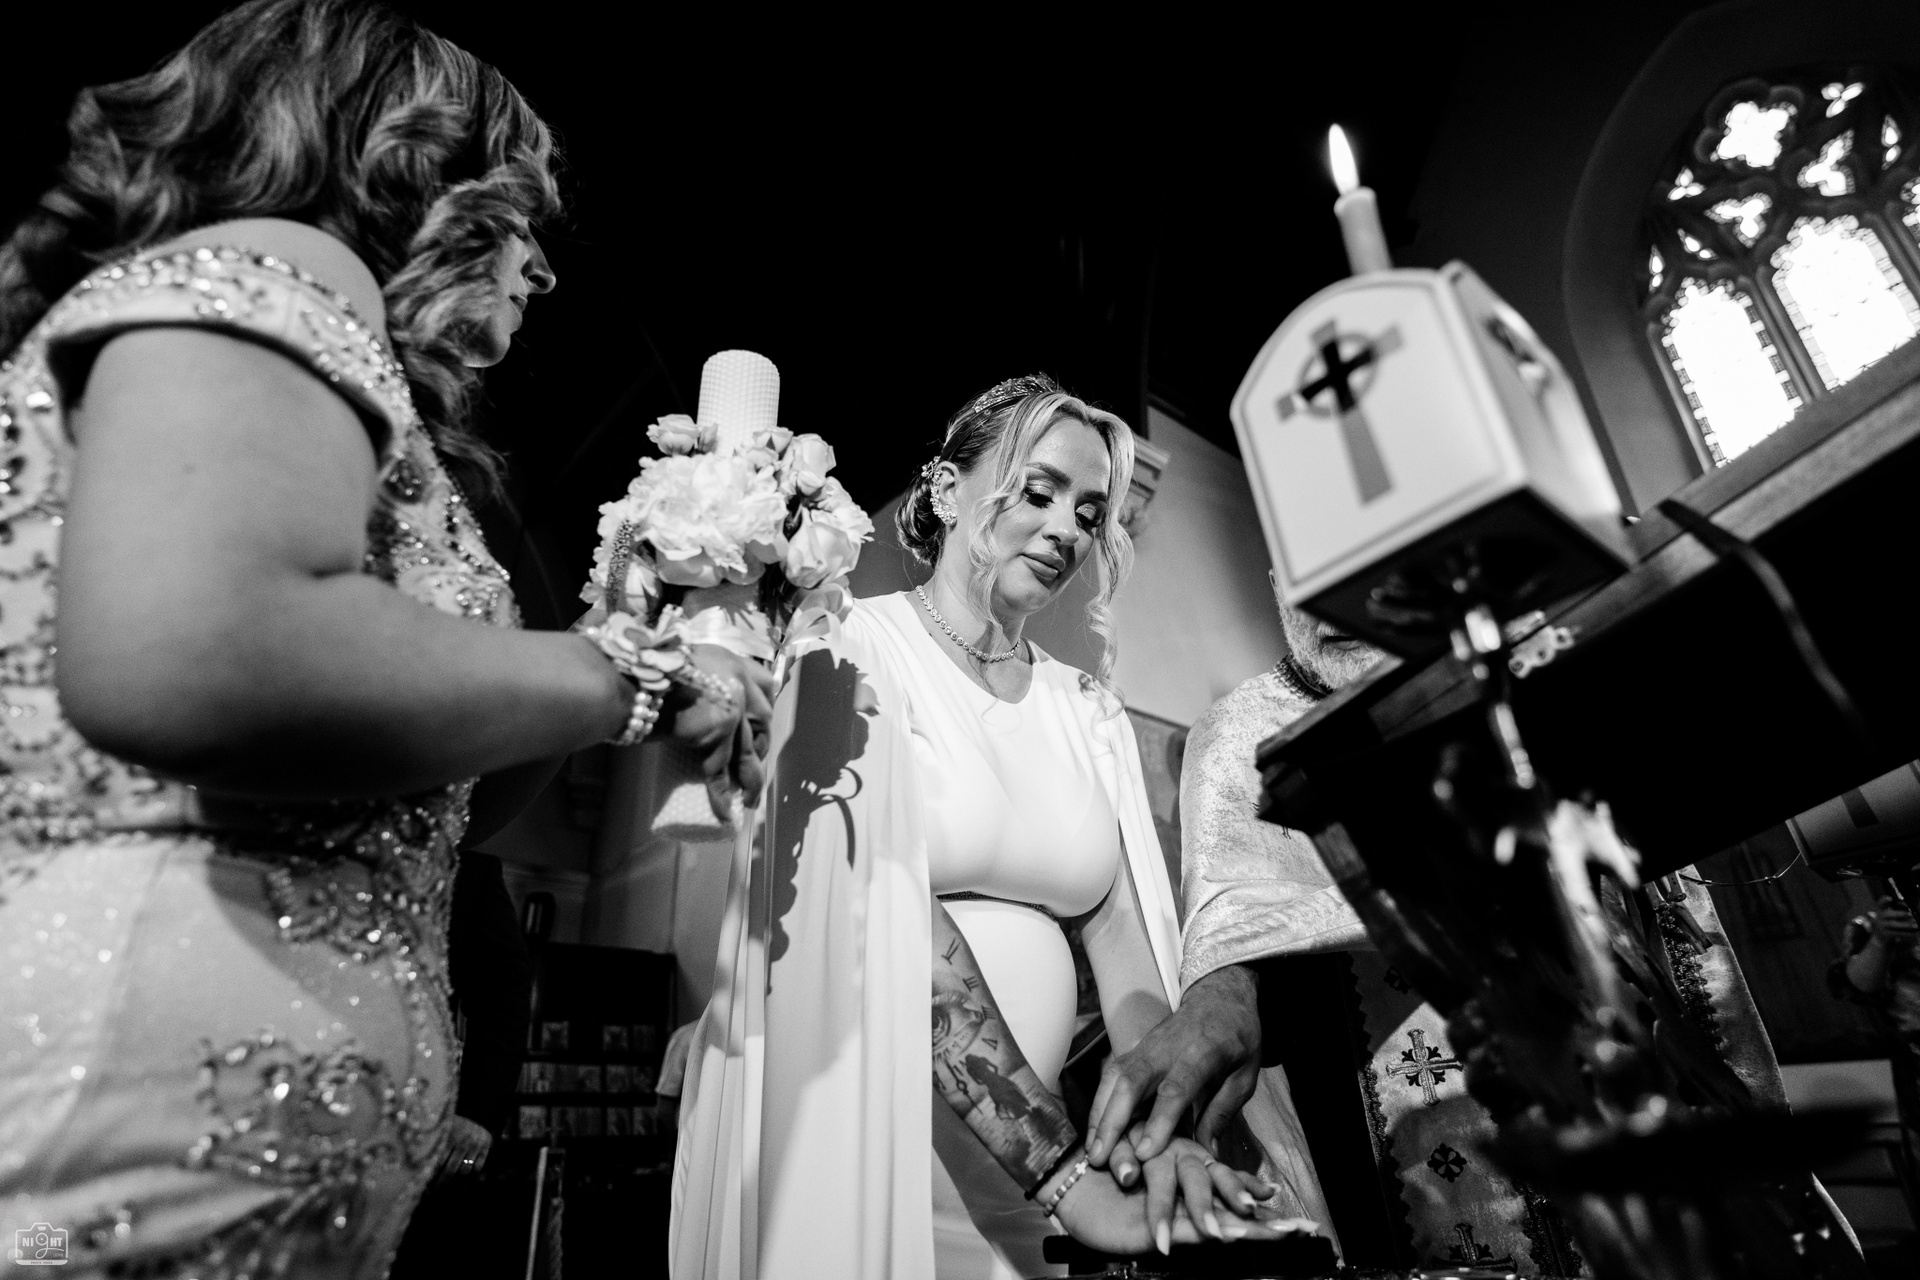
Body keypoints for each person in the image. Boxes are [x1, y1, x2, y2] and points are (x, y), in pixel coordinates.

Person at [0, 3, 768, 1276]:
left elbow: (463, 805)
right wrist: (622, 676)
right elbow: (204, 651)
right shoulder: (278, 256)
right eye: (518, 209)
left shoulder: (342, 395)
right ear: (408, 164)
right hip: (122, 1133)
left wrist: (612, 638)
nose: (541, 269)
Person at [671, 377, 1313, 1280]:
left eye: (1089, 513)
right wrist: (1065, 1176)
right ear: (945, 490)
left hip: (1032, 1175)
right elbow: (877, 914)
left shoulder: (1085, 709)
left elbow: (1128, 949)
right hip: (862, 1137)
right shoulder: (846, 648)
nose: (1066, 531)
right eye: (1038, 492)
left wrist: (1156, 1130)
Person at [1090, 591, 1800, 1271]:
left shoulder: (1524, 666)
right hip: (1387, 1093)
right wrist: (1220, 994)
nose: (1330, 610)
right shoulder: (1241, 728)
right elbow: (1233, 915)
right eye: (1302, 587)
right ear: (1278, 587)